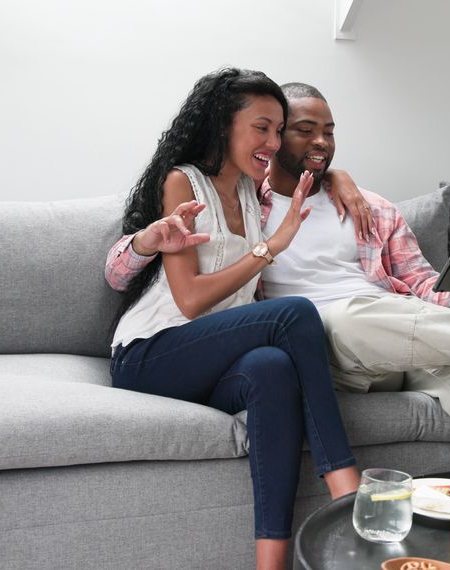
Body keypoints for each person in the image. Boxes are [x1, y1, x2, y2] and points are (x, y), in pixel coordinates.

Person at [108, 81, 450, 469]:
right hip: (327, 347)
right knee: (343, 316)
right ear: (271, 136)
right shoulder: (246, 203)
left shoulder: (371, 207)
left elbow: (424, 291)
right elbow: (160, 266)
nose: (321, 141)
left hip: (408, 336)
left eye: (329, 131)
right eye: (304, 129)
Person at [107, 68, 359, 570]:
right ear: (224, 126)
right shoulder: (184, 183)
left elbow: (305, 167)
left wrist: (341, 177)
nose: (273, 140)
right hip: (152, 352)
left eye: (278, 129)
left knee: (271, 368)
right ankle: (348, 496)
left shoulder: (251, 187)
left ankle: (271, 563)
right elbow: (190, 302)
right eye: (261, 128)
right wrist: (269, 249)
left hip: (213, 360)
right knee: (293, 314)